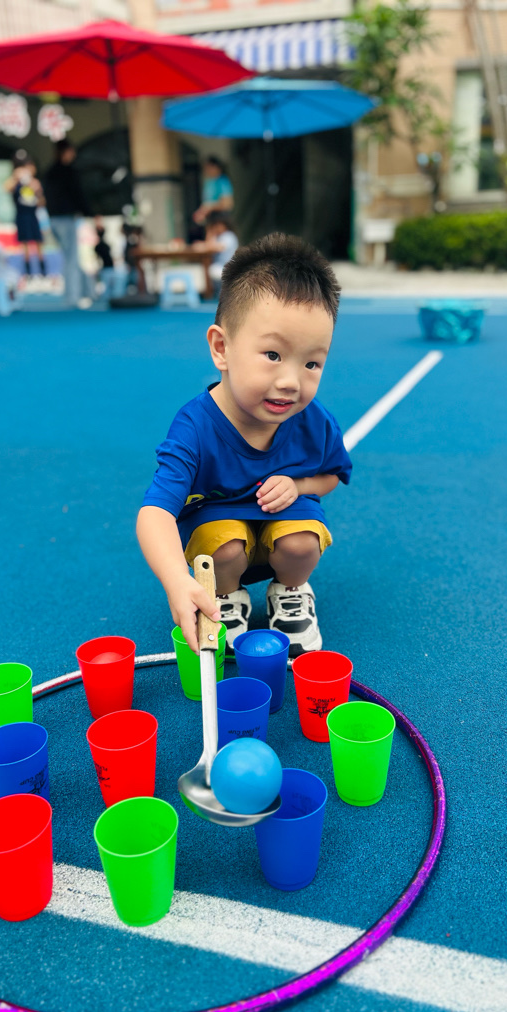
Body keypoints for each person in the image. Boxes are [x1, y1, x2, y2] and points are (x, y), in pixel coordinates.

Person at [136, 233, 352, 660]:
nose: (291, 381)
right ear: (222, 348)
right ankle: (226, 597)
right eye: (272, 355)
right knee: (224, 548)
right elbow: (155, 512)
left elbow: (332, 474)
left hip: (282, 518)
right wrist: (178, 580)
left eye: (312, 363)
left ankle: (290, 591)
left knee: (301, 543)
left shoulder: (315, 420)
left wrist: (300, 486)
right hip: (220, 528)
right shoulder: (195, 427)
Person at [42, 139, 93, 308]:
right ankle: (73, 297)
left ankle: (88, 291)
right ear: (66, 152)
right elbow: (78, 194)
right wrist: (89, 212)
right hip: (66, 218)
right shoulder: (68, 172)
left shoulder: (49, 172)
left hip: (53, 219)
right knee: (71, 258)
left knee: (69, 257)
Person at [5, 153, 44, 280]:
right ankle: (28, 273)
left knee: (38, 242)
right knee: (25, 243)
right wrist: (16, 178)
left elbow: (41, 202)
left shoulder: (34, 182)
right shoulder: (15, 181)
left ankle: (43, 272)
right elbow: (6, 188)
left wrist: (35, 188)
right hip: (22, 215)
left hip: (33, 215)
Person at [195, 211, 239, 297]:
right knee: (206, 270)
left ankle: (210, 295)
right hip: (219, 266)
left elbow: (217, 247)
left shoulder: (228, 236)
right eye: (215, 225)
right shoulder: (219, 236)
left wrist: (203, 245)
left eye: (218, 225)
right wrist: (211, 232)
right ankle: (214, 294)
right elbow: (209, 244)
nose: (217, 227)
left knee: (209, 271)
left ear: (225, 225)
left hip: (226, 266)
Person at [191, 156, 234, 240]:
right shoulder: (209, 182)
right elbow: (207, 203)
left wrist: (208, 208)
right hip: (211, 220)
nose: (206, 171)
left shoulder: (222, 181)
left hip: (220, 219)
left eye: (208, 168)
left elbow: (227, 204)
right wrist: (201, 212)